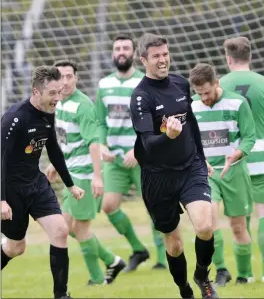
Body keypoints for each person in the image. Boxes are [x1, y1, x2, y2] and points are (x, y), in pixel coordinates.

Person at [130, 33, 217, 298]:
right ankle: (184, 289)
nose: (163, 60)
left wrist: (202, 158)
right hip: (158, 177)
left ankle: (202, 275)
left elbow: (191, 124)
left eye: (165, 54)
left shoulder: (180, 84)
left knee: (205, 226)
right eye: (156, 56)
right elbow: (147, 143)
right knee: (175, 244)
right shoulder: (140, 97)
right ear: (144, 60)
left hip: (190, 167)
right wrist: (168, 135)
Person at [1, 66, 85, 299]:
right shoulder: (14, 117)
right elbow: (1, 158)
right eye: (52, 93)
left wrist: (70, 185)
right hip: (10, 189)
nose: (57, 98)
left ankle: (61, 295)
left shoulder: (48, 112)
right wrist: (2, 199)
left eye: (59, 92)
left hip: (36, 185)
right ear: (36, 92)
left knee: (60, 230)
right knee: (15, 247)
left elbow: (54, 150)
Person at [45, 60, 125, 286]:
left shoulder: (84, 106)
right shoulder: (58, 104)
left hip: (84, 175)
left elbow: (93, 143)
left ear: (76, 78)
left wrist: (98, 177)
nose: (66, 81)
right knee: (67, 228)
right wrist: (55, 164)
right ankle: (113, 261)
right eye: (61, 76)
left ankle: (98, 280)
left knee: (79, 229)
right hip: (71, 172)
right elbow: (64, 140)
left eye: (70, 76)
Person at [218, 36, 264, 283]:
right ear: (250, 57)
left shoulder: (220, 85)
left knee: (241, 217)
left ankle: (244, 274)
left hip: (235, 159)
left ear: (228, 58)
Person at [95, 33, 167, 271]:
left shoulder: (144, 82)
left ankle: (164, 258)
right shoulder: (104, 85)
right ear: (113, 53)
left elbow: (155, 120)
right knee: (109, 206)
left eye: (126, 48)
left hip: (143, 157)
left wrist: (139, 150)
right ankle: (138, 249)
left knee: (154, 207)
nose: (122, 52)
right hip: (114, 159)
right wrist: (102, 144)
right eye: (118, 48)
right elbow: (100, 121)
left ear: (134, 54)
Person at [189, 63, 256, 285]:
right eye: (199, 94)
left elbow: (249, 137)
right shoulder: (193, 107)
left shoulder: (238, 102)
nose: (204, 98)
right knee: (208, 223)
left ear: (216, 83)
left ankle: (244, 276)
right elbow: (189, 142)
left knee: (238, 226)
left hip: (234, 172)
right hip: (206, 174)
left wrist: (235, 155)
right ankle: (221, 271)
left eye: (207, 92)